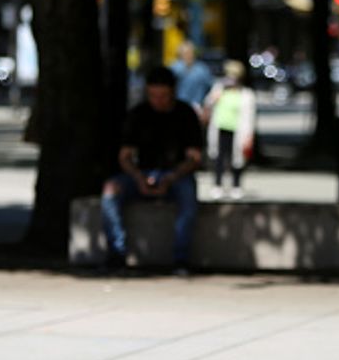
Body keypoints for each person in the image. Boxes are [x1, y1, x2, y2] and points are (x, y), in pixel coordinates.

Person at [102, 66, 202, 274]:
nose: (158, 101)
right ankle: (117, 253)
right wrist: (138, 177)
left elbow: (194, 158)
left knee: (188, 195)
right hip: (142, 173)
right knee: (111, 190)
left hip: (176, 175)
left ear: (173, 92)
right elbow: (125, 156)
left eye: (163, 96)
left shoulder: (185, 114)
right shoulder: (138, 114)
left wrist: (172, 177)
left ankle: (180, 258)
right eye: (153, 96)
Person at [203, 59, 256, 200]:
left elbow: (250, 117)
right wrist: (214, 98)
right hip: (221, 128)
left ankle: (236, 186)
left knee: (237, 159)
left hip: (238, 131)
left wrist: (249, 136)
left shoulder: (246, 94)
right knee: (219, 158)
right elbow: (207, 103)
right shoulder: (219, 89)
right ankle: (218, 185)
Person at [171, 41, 214, 110]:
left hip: (197, 107)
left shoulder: (202, 69)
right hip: (178, 107)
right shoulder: (174, 68)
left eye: (190, 52)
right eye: (185, 53)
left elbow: (210, 86)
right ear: (180, 54)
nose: (188, 55)